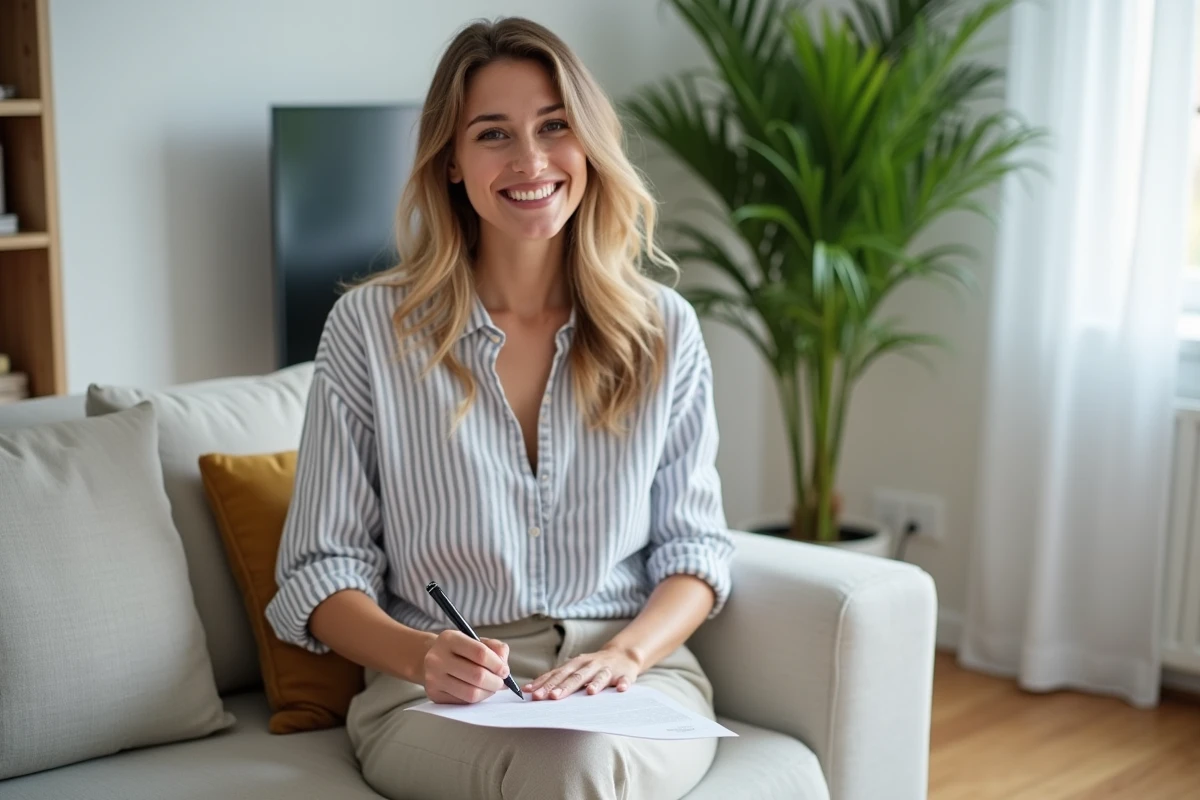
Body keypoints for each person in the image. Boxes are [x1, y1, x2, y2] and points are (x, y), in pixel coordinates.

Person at [264, 15, 736, 800]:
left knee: (583, 755)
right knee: (566, 767)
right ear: (451, 161)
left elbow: (696, 551)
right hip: (434, 692)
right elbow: (319, 572)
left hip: (630, 671)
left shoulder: (662, 329)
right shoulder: (369, 331)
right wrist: (421, 657)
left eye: (555, 126)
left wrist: (627, 656)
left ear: (588, 142)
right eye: (493, 134)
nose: (531, 160)